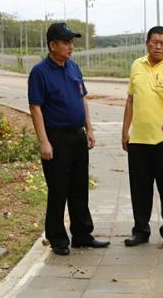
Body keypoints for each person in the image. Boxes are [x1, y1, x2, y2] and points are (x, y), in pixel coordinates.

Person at [28, 22, 110, 256]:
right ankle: (57, 238)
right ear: (52, 45)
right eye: (66, 42)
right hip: (56, 137)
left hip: (77, 135)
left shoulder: (73, 67)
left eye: (72, 42)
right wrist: (44, 141)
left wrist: (89, 129)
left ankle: (82, 235)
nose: (71, 46)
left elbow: (82, 98)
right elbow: (35, 108)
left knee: (79, 188)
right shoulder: (40, 72)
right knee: (58, 189)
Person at [122, 26, 163, 248]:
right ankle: (140, 231)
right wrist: (125, 130)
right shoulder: (137, 65)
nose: (158, 46)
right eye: (154, 42)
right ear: (147, 43)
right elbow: (130, 99)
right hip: (139, 138)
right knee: (139, 187)